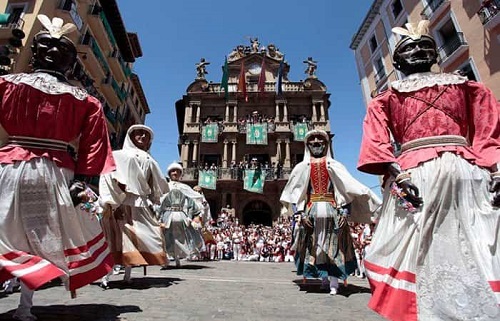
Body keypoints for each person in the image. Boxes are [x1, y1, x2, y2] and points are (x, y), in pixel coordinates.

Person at [357, 20, 500, 321]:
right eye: (409, 47)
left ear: (436, 55)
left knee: (475, 241)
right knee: (419, 245)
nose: (419, 49)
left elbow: (489, 133)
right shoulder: (385, 99)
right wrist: (397, 174)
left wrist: (496, 170)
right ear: (396, 61)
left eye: (425, 45)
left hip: (467, 173)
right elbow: (378, 141)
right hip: (413, 176)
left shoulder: (469, 88)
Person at [0, 14, 115, 320]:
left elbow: (94, 145)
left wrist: (83, 180)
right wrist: (83, 180)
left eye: (59, 49)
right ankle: (25, 305)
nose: (52, 53)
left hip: (10, 168)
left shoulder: (5, 84)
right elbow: (93, 147)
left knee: (12, 233)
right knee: (41, 238)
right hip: (53, 173)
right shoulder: (85, 100)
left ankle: (24, 304)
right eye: (49, 47)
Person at [280, 130, 381, 295]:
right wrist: (300, 214)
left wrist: (345, 213)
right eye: (312, 141)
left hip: (333, 211)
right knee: (315, 248)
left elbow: (346, 190)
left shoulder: (335, 166)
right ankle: (324, 280)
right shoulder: (301, 167)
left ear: (326, 144)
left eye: (320, 140)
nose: (316, 143)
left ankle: (334, 282)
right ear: (307, 145)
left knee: (335, 248)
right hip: (311, 212)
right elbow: (296, 192)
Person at [99, 125, 169, 288]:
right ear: (130, 136)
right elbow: (108, 173)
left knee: (143, 236)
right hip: (121, 202)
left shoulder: (150, 160)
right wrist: (114, 192)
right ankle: (106, 276)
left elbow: (158, 182)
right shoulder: (118, 155)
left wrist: (154, 197)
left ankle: (128, 275)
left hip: (141, 203)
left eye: (146, 135)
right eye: (139, 133)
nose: (143, 136)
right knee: (118, 239)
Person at [158, 162, 204, 267]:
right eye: (173, 171)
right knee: (166, 238)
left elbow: (193, 200)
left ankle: (178, 258)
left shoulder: (185, 187)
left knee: (181, 238)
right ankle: (165, 259)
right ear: (169, 173)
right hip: (168, 215)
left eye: (178, 171)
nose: (175, 173)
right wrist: (157, 216)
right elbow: (159, 201)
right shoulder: (164, 186)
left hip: (181, 215)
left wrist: (196, 215)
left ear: (181, 174)